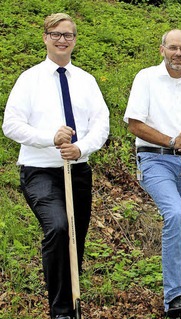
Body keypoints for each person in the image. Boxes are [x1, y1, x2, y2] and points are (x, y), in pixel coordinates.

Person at [2, 13, 110, 319]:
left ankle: (73, 302)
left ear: (75, 40)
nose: (62, 40)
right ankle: (60, 311)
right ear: (45, 38)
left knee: (76, 236)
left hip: (78, 170)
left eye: (68, 35)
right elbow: (11, 125)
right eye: (55, 34)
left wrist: (81, 148)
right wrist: (50, 138)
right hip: (39, 171)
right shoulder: (29, 79)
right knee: (59, 228)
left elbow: (101, 125)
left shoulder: (87, 81)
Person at [123, 29, 181, 317]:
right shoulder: (146, 78)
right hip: (155, 159)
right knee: (176, 215)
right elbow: (134, 124)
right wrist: (172, 141)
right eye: (173, 47)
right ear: (162, 49)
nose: (178, 53)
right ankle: (175, 296)